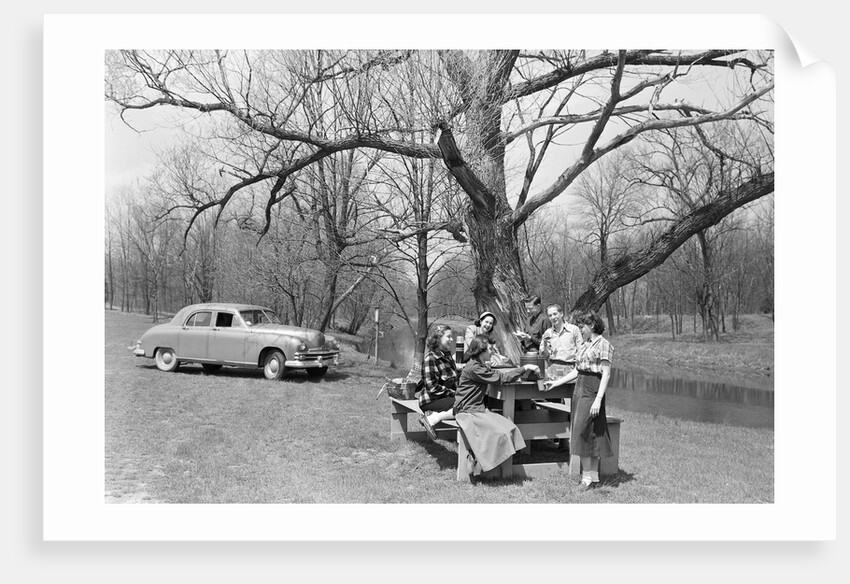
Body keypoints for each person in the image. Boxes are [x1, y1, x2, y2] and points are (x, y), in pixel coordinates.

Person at [452, 334, 540, 477]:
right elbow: (502, 378)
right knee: (502, 432)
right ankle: (485, 465)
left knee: (509, 427)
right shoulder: (475, 368)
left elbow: (496, 374)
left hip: (476, 409)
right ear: (481, 351)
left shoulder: (478, 365)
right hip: (467, 412)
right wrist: (525, 367)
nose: (492, 352)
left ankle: (490, 465)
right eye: (489, 350)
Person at [545, 310, 614, 490]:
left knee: (587, 431)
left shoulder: (603, 344)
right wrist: (556, 383)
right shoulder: (585, 344)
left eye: (582, 326)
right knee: (583, 430)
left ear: (591, 326)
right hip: (580, 387)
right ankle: (593, 477)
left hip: (593, 388)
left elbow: (606, 374)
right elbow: (577, 370)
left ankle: (587, 478)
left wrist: (598, 399)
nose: (580, 329)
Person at [417, 325, 459, 440]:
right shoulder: (430, 359)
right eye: (448, 337)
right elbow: (432, 388)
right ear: (438, 339)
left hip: (444, 397)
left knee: (470, 402)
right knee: (463, 405)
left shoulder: (448, 355)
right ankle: (432, 419)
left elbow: (453, 377)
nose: (452, 339)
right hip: (430, 400)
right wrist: (454, 394)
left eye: (452, 337)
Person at [540, 304, 583, 381]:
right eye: (550, 315)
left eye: (555, 314)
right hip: (552, 368)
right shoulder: (548, 333)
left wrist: (578, 368)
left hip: (570, 369)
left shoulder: (574, 330)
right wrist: (545, 343)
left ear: (561, 314)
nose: (553, 317)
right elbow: (545, 356)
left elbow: (581, 351)